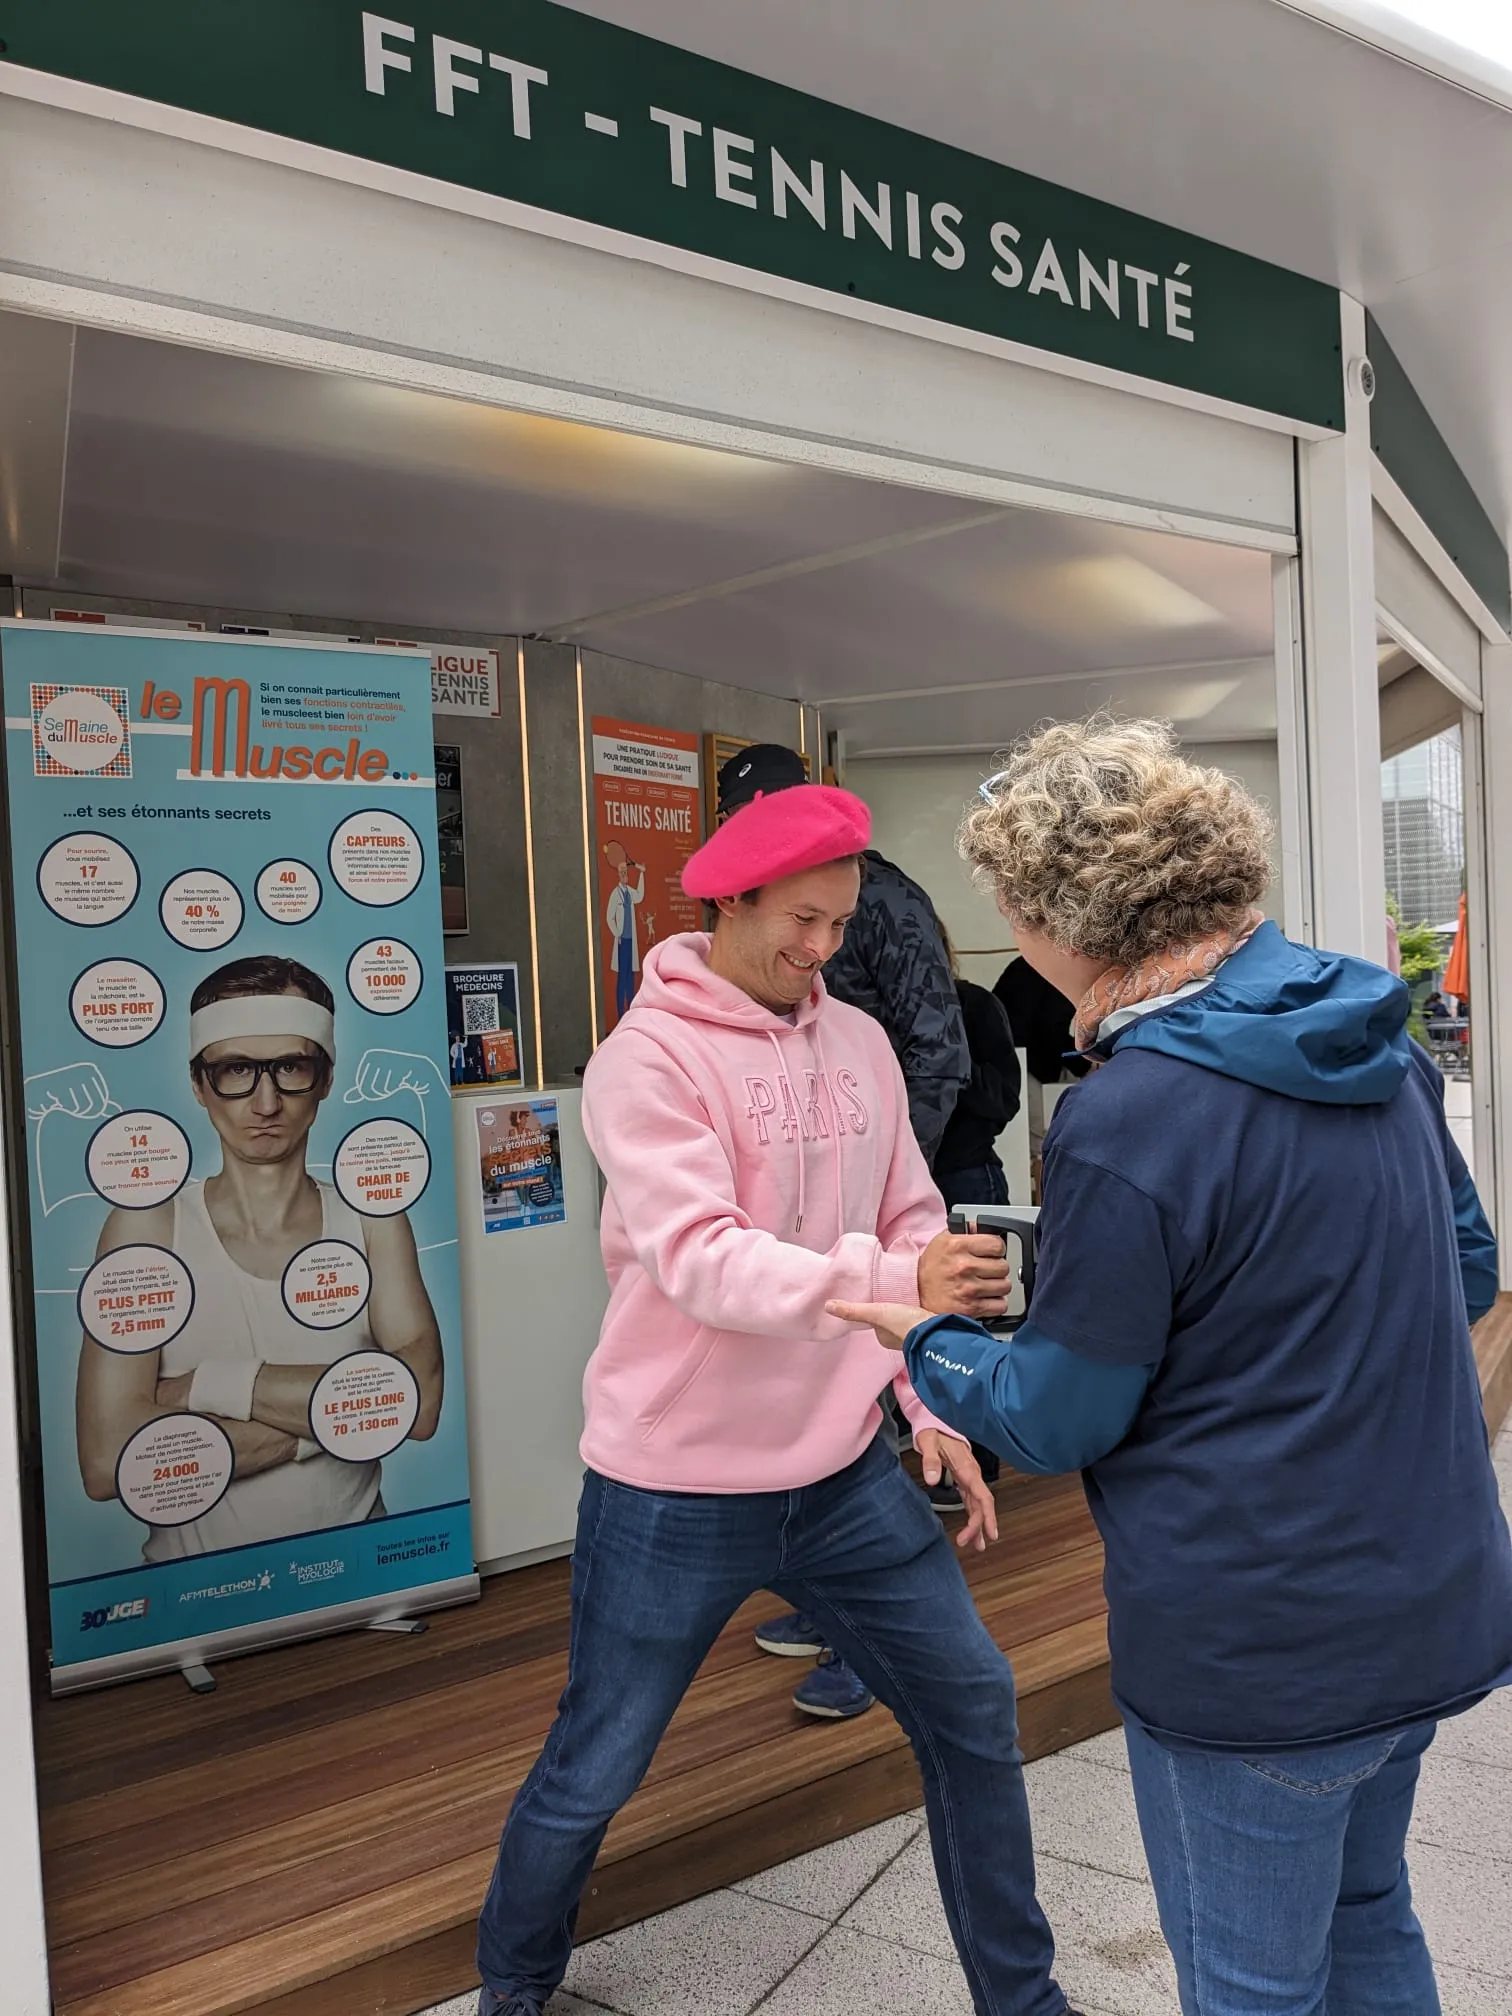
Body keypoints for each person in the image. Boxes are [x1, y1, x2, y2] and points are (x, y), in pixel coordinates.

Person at [829, 716, 1512, 2016]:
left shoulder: (1130, 1115)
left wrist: (922, 1340)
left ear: (1074, 918)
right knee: (1373, 1919)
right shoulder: (1378, 1037)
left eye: (1017, 909)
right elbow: (1467, 1278)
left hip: (1263, 1653)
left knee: (1253, 1986)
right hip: (1434, 1599)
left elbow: (1058, 1415)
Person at [474, 783, 1080, 2016]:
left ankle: (1027, 2005)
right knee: (596, 1768)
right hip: (673, 1487)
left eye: (841, 925)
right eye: (800, 920)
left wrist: (930, 1403)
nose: (821, 950)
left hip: (845, 1469)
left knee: (973, 1706)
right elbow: (704, 1261)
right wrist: (890, 1277)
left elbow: (911, 1217)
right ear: (728, 899)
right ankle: (513, 1983)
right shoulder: (646, 1060)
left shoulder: (855, 1040)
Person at [719, 744, 971, 1713]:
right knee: (808, 1408)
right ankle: (834, 1605)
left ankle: (878, 1640)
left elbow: (936, 1057)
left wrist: (875, 1195)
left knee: (864, 1411)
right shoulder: (758, 908)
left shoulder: (880, 901)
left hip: (869, 1209)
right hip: (793, 1214)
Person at [75, 955, 444, 1557]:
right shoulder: (148, 1226)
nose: (265, 1102)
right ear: (198, 1084)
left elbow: (420, 1407)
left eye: (290, 1067)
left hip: (368, 1582)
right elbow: (108, 1459)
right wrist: (341, 1418)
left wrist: (200, 1388)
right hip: (193, 1608)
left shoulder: (372, 1217)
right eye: (236, 1070)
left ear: (325, 1078)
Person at [603, 842, 646, 1022]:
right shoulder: (616, 895)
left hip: (631, 941)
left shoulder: (629, 892)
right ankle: (621, 1014)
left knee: (630, 978)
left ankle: (631, 1014)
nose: (624, 876)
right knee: (622, 978)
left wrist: (642, 873)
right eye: (622, 873)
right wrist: (617, 933)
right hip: (622, 942)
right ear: (618, 876)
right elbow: (609, 917)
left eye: (626, 873)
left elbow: (640, 896)